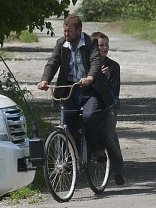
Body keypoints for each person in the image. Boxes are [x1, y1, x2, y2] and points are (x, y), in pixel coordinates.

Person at [37, 15, 114, 167]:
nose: (66, 34)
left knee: (90, 116)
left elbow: (95, 61)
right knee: (67, 124)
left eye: (69, 32)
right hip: (70, 89)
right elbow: (53, 63)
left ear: (79, 30)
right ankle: (70, 158)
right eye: (65, 31)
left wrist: (90, 77)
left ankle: (97, 148)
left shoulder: (90, 42)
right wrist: (45, 80)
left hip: (91, 90)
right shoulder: (61, 43)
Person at [92, 31, 125, 185]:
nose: (104, 48)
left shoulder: (113, 66)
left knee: (108, 133)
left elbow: (113, 94)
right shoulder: (88, 64)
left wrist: (104, 79)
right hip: (91, 103)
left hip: (109, 106)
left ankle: (118, 171)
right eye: (101, 45)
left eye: (106, 45)